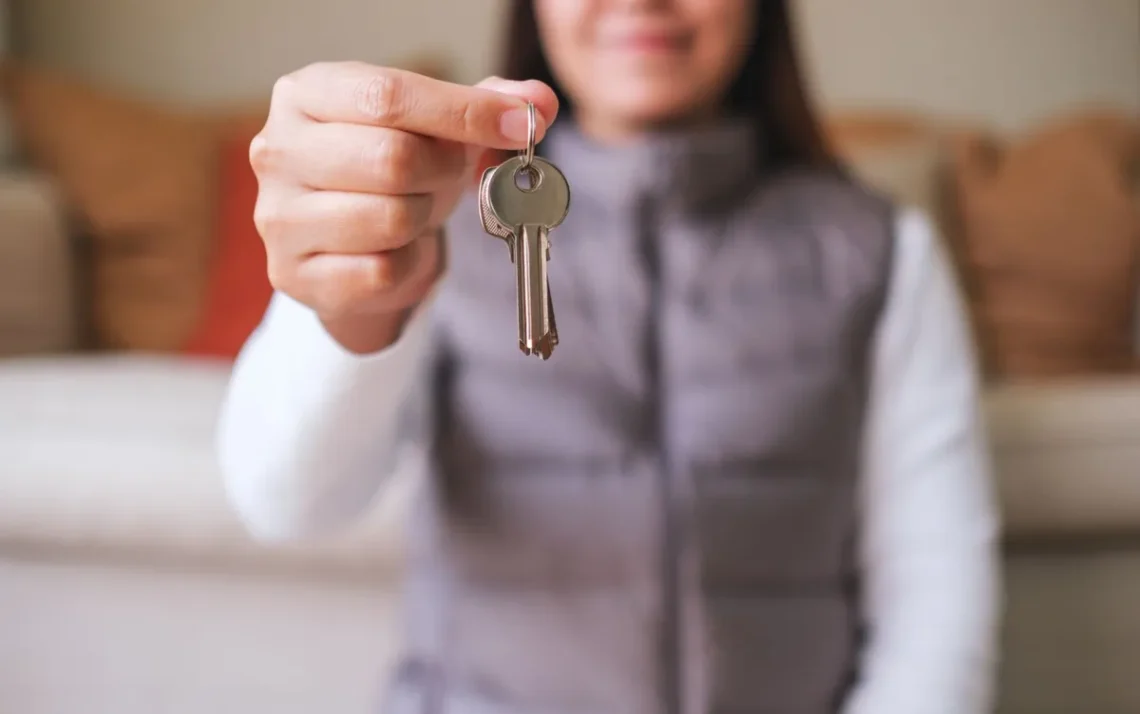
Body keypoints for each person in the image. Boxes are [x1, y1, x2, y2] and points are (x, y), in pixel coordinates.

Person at [217, 0, 1000, 712]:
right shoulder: (430, 218)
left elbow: (934, 602)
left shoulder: (885, 254)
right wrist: (352, 305)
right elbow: (284, 500)